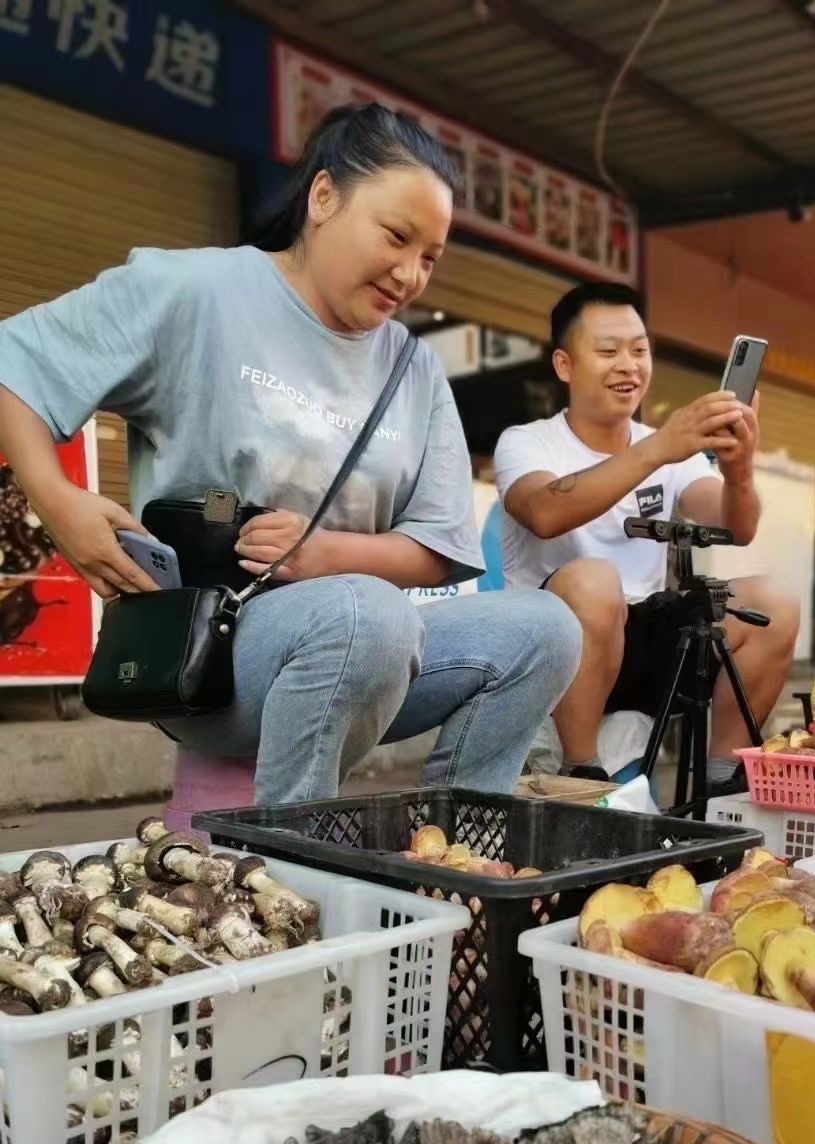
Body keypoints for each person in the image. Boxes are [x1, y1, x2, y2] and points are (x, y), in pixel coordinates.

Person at [0, 105, 581, 806]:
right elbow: (16, 362)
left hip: (372, 654)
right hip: (208, 657)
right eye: (396, 236)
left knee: (546, 630)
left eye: (429, 258)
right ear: (324, 196)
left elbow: (438, 546)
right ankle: (293, 865)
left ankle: (456, 853)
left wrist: (318, 552)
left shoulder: (414, 369)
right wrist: (56, 503)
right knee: (368, 617)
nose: (410, 274)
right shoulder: (197, 294)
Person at [492, 283, 799, 793]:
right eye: (608, 351)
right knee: (594, 582)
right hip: (554, 655)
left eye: (639, 350)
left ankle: (722, 779)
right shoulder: (527, 441)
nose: (629, 365)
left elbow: (736, 526)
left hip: (643, 641)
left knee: (775, 604)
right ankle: (582, 771)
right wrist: (658, 448)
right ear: (565, 365)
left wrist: (739, 468)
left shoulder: (666, 449)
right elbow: (544, 512)